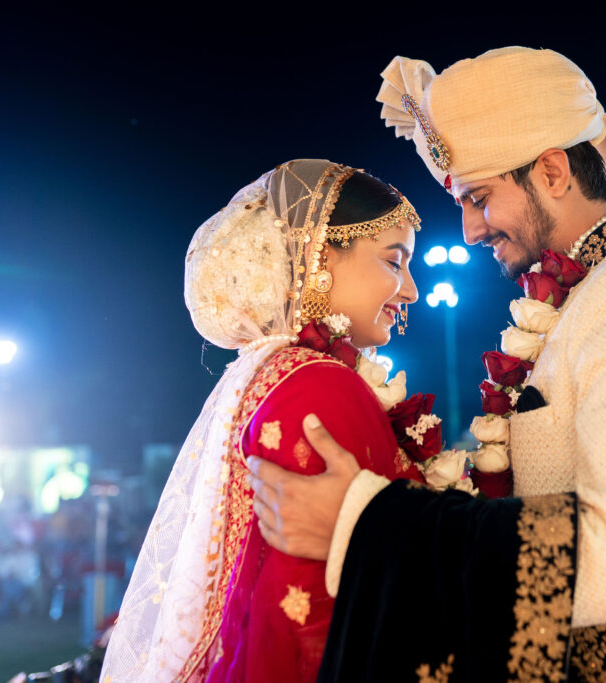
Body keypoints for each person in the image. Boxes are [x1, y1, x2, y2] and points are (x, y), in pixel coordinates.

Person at [250, 47, 606, 681]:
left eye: (478, 197)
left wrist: (367, 521)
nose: (470, 229)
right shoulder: (585, 300)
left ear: (553, 171)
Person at [101, 159, 432, 682]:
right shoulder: (320, 383)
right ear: (318, 255)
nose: (411, 290)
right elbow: (313, 619)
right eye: (395, 261)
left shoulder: (271, 370)